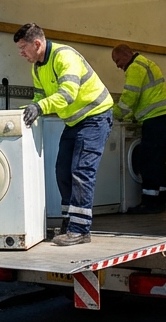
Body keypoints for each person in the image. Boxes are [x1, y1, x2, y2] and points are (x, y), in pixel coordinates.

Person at [14, 23, 113, 246]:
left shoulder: (64, 57)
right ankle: (70, 223)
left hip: (96, 117)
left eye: (23, 48)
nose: (21, 53)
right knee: (62, 171)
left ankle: (80, 230)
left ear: (37, 44)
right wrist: (25, 112)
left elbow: (67, 94)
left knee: (81, 171)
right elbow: (39, 97)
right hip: (75, 122)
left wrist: (38, 109)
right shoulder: (38, 67)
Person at [111, 44, 166, 213]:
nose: (117, 65)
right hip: (165, 117)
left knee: (147, 162)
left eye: (117, 60)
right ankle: (159, 200)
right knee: (159, 161)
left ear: (127, 54)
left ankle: (149, 204)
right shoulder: (147, 63)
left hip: (156, 119)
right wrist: (130, 116)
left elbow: (129, 98)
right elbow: (143, 99)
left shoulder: (135, 68)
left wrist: (113, 114)